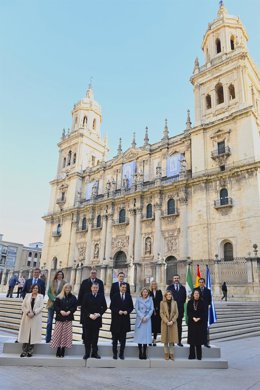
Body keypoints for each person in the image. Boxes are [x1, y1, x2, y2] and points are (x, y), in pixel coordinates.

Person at [50, 283, 77, 357]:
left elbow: (74, 307)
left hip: (68, 318)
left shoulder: (73, 297)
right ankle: (58, 348)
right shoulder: (59, 297)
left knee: (66, 334)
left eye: (69, 288)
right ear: (64, 288)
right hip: (60, 317)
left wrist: (70, 311)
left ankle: (63, 349)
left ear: (71, 289)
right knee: (58, 334)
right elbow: (55, 306)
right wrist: (60, 311)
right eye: (66, 288)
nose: (67, 289)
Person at [81, 283, 107, 359]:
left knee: (95, 337)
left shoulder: (101, 296)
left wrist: (99, 314)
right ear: (91, 288)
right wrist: (89, 315)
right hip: (88, 319)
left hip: (97, 319)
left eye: (96, 288)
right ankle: (87, 353)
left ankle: (94, 353)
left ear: (98, 289)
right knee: (87, 337)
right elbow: (83, 308)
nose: (95, 289)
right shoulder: (86, 295)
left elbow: (104, 307)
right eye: (94, 287)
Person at [77, 269, 105, 341]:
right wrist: (79, 303)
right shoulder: (84, 282)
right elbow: (81, 293)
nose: (93, 274)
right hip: (85, 306)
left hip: (96, 307)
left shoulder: (100, 282)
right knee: (84, 323)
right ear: (90, 273)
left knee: (95, 326)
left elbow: (102, 294)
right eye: (92, 273)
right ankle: (84, 338)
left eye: (94, 273)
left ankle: (93, 340)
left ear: (96, 274)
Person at [18, 284, 44, 357]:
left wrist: (34, 313)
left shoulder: (41, 296)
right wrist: (27, 312)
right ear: (32, 289)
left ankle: (30, 351)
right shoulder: (27, 295)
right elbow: (23, 306)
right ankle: (24, 351)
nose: (35, 289)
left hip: (35, 318)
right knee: (26, 334)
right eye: (34, 288)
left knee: (32, 334)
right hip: (27, 317)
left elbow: (41, 306)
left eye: (37, 288)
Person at [110, 282, 134, 360]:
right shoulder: (115, 296)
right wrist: (118, 311)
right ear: (120, 288)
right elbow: (111, 307)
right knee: (115, 339)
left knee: (123, 339)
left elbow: (131, 307)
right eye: (122, 287)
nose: (124, 289)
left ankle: (121, 353)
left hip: (124, 321)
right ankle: (115, 354)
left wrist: (127, 311)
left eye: (125, 287)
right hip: (116, 320)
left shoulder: (128, 296)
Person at [45, 270, 67, 343]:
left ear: (62, 275)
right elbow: (49, 292)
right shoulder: (53, 282)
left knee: (58, 323)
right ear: (56, 275)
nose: (60, 275)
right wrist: (53, 298)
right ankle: (48, 338)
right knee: (49, 322)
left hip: (60, 305)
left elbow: (65, 292)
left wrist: (58, 298)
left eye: (61, 274)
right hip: (51, 304)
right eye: (58, 274)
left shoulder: (65, 283)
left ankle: (56, 339)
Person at [134, 287, 154, 360]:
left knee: (145, 337)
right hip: (140, 319)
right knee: (140, 336)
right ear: (141, 293)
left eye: (146, 292)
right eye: (144, 292)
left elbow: (152, 308)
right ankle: (140, 352)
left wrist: (147, 317)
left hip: (147, 320)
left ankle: (144, 352)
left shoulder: (150, 299)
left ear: (148, 293)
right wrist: (142, 316)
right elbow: (136, 308)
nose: (145, 293)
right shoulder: (138, 299)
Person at [167, 274, 187, 346]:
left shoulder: (183, 288)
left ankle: (179, 341)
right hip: (171, 311)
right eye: (175, 278)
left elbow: (184, 299)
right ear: (173, 279)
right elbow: (167, 299)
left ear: (179, 279)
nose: (176, 279)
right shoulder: (169, 287)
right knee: (171, 327)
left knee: (179, 326)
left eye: (177, 278)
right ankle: (171, 341)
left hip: (180, 311)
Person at [160, 290, 179, 360]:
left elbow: (177, 313)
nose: (169, 296)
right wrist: (166, 321)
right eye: (167, 294)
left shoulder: (175, 302)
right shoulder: (162, 303)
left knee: (171, 340)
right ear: (165, 296)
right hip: (165, 323)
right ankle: (166, 354)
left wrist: (172, 321)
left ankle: (171, 354)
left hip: (172, 324)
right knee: (165, 340)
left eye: (170, 294)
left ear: (171, 295)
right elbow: (161, 313)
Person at [187, 290, 204, 360]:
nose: (196, 294)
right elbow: (188, 312)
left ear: (199, 295)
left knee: (198, 339)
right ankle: (192, 355)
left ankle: (199, 356)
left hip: (199, 323)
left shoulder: (202, 303)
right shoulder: (190, 302)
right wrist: (193, 318)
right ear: (193, 295)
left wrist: (199, 318)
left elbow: (204, 312)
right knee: (192, 339)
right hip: (192, 322)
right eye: (195, 293)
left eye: (197, 293)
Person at [194, 277, 212, 347]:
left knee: (204, 327)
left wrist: (208, 305)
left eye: (202, 282)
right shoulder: (195, 290)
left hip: (204, 312)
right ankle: (197, 341)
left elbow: (210, 300)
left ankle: (205, 342)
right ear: (198, 283)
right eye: (200, 282)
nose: (201, 283)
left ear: (204, 283)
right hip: (197, 312)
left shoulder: (208, 290)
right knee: (197, 327)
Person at [149, 280, 163, 346]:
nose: (154, 285)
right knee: (150, 326)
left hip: (157, 312)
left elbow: (161, 300)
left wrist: (157, 308)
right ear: (151, 285)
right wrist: (152, 308)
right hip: (150, 312)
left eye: (155, 284)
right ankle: (149, 339)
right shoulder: (149, 292)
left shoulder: (159, 292)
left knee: (156, 326)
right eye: (152, 284)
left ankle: (154, 340)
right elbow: (148, 301)